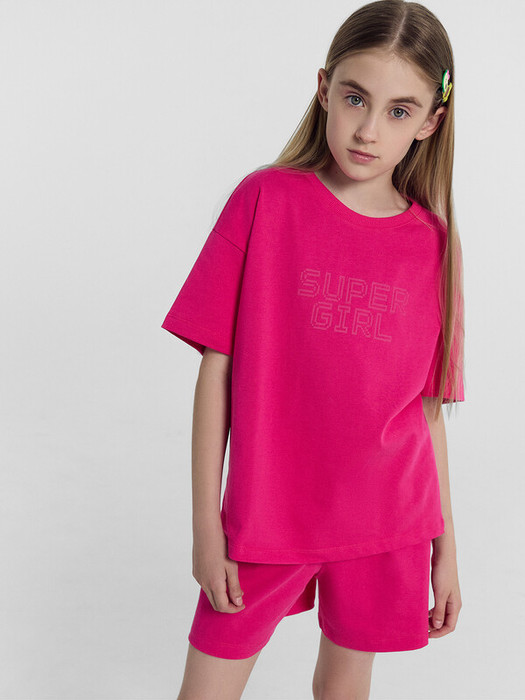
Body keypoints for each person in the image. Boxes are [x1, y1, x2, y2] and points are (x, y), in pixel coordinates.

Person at [161, 1, 466, 697]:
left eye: (398, 110)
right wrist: (206, 529)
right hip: (267, 517)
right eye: (356, 98)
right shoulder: (265, 201)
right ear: (324, 88)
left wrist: (446, 547)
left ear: (430, 121)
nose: (368, 129)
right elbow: (216, 372)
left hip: (389, 521)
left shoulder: (432, 245)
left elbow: (425, 411)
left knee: (344, 687)